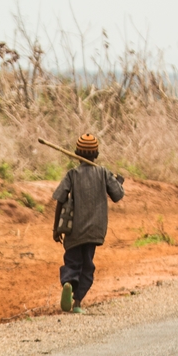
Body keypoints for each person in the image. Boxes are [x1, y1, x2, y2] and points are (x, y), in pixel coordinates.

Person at [52, 133, 125, 313]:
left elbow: (60, 199)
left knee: (72, 261)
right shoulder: (103, 173)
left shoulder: (72, 175)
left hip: (74, 230)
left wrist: (56, 228)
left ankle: (68, 282)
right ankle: (77, 302)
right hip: (95, 230)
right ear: (96, 155)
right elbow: (118, 195)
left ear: (77, 153)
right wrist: (119, 182)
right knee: (87, 265)